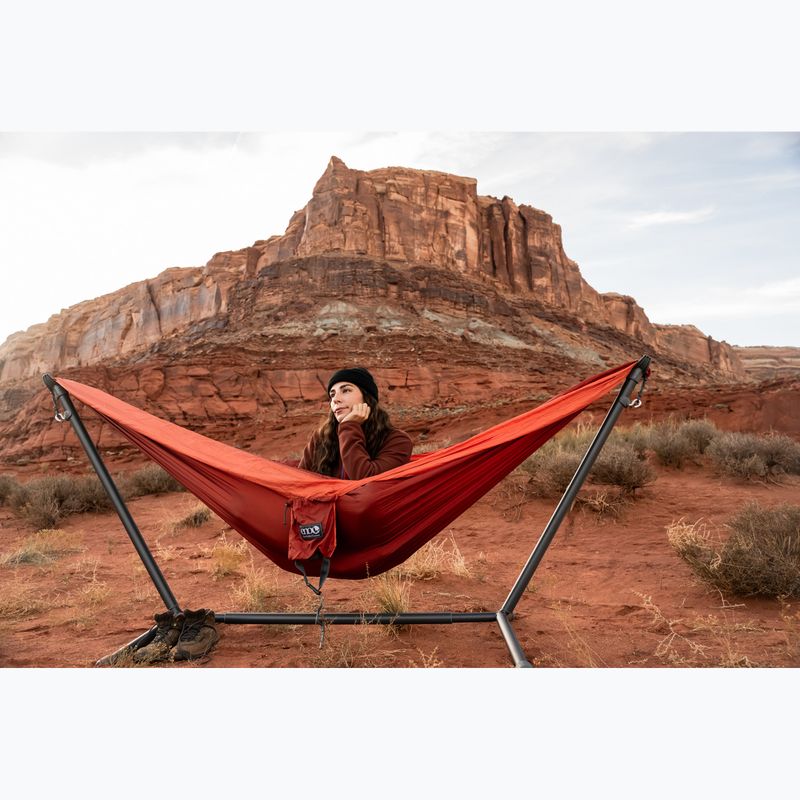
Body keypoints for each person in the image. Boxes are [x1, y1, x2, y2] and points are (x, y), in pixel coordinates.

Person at [298, 367, 413, 479]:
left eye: (346, 390)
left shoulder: (397, 440)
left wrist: (349, 426)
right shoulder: (321, 439)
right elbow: (300, 482)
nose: (335, 399)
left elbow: (366, 478)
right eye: (332, 395)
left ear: (366, 397)